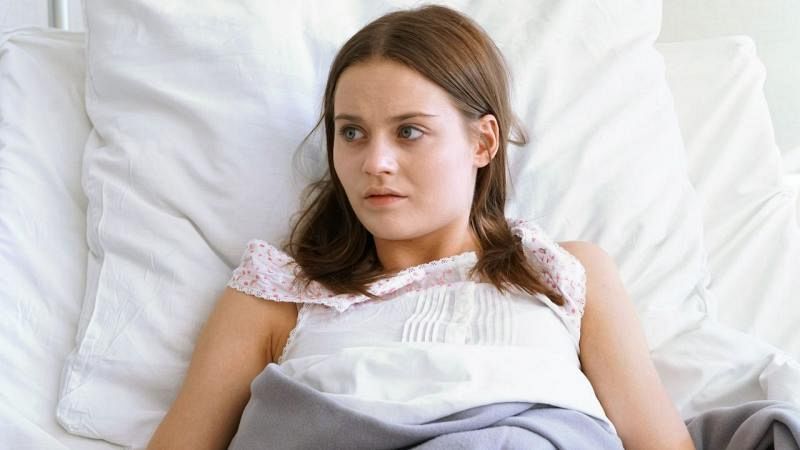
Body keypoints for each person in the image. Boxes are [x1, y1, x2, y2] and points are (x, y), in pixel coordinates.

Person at [148, 5, 696, 449]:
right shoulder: (277, 294)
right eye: (352, 133)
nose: (375, 163)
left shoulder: (562, 272)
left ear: (483, 142)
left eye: (409, 131)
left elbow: (660, 443)